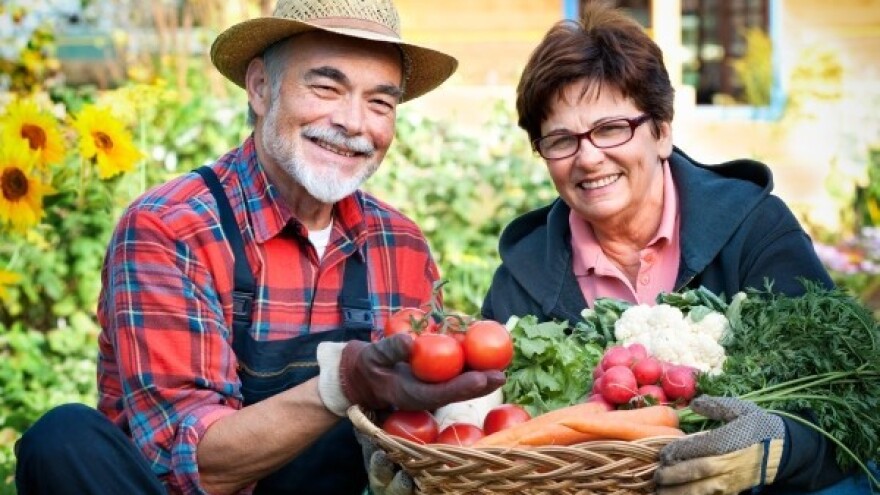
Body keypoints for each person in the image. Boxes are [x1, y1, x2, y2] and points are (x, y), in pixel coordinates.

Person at [13, 0, 505, 493]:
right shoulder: (171, 228)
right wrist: (345, 383)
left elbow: (417, 437)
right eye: (327, 87)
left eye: (380, 102)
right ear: (260, 87)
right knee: (62, 439)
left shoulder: (399, 244)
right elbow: (187, 466)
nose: (355, 123)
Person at [481, 2, 877, 495]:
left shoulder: (755, 230)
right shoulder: (520, 281)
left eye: (610, 129)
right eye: (561, 140)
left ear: (662, 130)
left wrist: (776, 446)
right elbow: (489, 427)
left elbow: (850, 401)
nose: (587, 158)